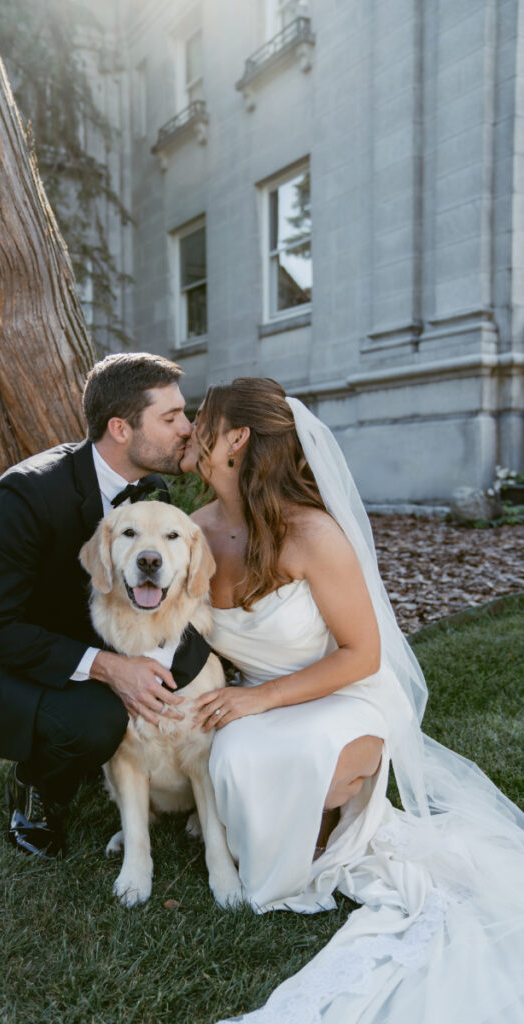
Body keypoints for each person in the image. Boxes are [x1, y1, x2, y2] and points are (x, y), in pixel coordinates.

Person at [180, 377, 524, 1024]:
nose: (188, 428)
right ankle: (290, 848)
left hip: (343, 694)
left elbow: (360, 654)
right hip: (257, 697)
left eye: (201, 417)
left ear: (235, 439)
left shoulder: (311, 534)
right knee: (230, 754)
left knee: (292, 747)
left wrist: (267, 700)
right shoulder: (193, 532)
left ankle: (319, 833)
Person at [0, 352, 203, 860]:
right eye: (172, 418)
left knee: (179, 667)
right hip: (4, 660)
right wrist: (109, 667)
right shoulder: (23, 496)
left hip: (87, 638)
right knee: (96, 720)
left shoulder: (151, 491)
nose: (188, 428)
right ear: (120, 428)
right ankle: (37, 788)